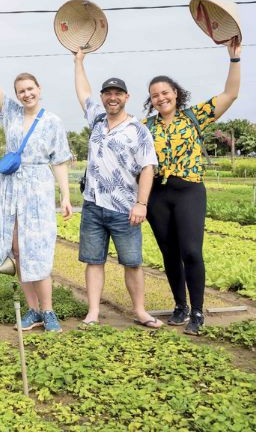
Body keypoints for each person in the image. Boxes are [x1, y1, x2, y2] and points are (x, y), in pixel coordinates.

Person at [143, 40, 241, 335]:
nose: (161, 98)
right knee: (169, 253)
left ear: (176, 93)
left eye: (165, 93)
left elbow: (230, 94)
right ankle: (180, 305)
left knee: (191, 251)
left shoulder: (194, 116)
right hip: (158, 194)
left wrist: (234, 58)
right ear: (151, 101)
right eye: (155, 96)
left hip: (189, 191)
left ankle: (197, 311)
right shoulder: (146, 126)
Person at [0, 44, 73, 333]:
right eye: (21, 90)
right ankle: (32, 309)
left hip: (38, 188)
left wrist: (65, 195)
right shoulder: (10, 113)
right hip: (11, 188)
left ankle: (49, 311)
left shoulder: (52, 121)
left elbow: (59, 161)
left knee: (39, 249)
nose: (26, 94)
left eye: (30, 88)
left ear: (39, 88)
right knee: (18, 249)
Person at [74, 50, 162, 328]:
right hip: (93, 205)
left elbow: (148, 167)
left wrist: (142, 203)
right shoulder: (97, 120)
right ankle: (93, 313)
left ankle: (140, 311)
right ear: (103, 98)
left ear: (126, 97)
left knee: (132, 263)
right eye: (107, 93)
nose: (112, 97)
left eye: (117, 93)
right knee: (94, 261)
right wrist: (78, 62)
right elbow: (82, 91)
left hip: (125, 208)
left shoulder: (138, 130)